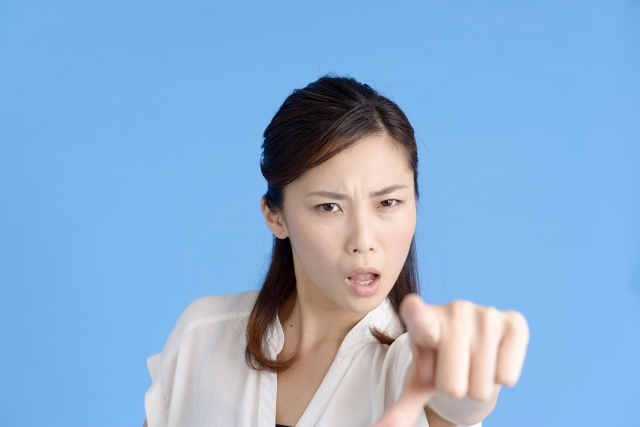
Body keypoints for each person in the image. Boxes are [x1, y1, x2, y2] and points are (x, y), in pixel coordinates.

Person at [143, 75, 529, 427]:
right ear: (275, 216)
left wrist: (465, 386)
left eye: (388, 203)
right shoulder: (202, 334)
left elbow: (449, 398)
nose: (363, 239)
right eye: (329, 206)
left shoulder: (409, 362)